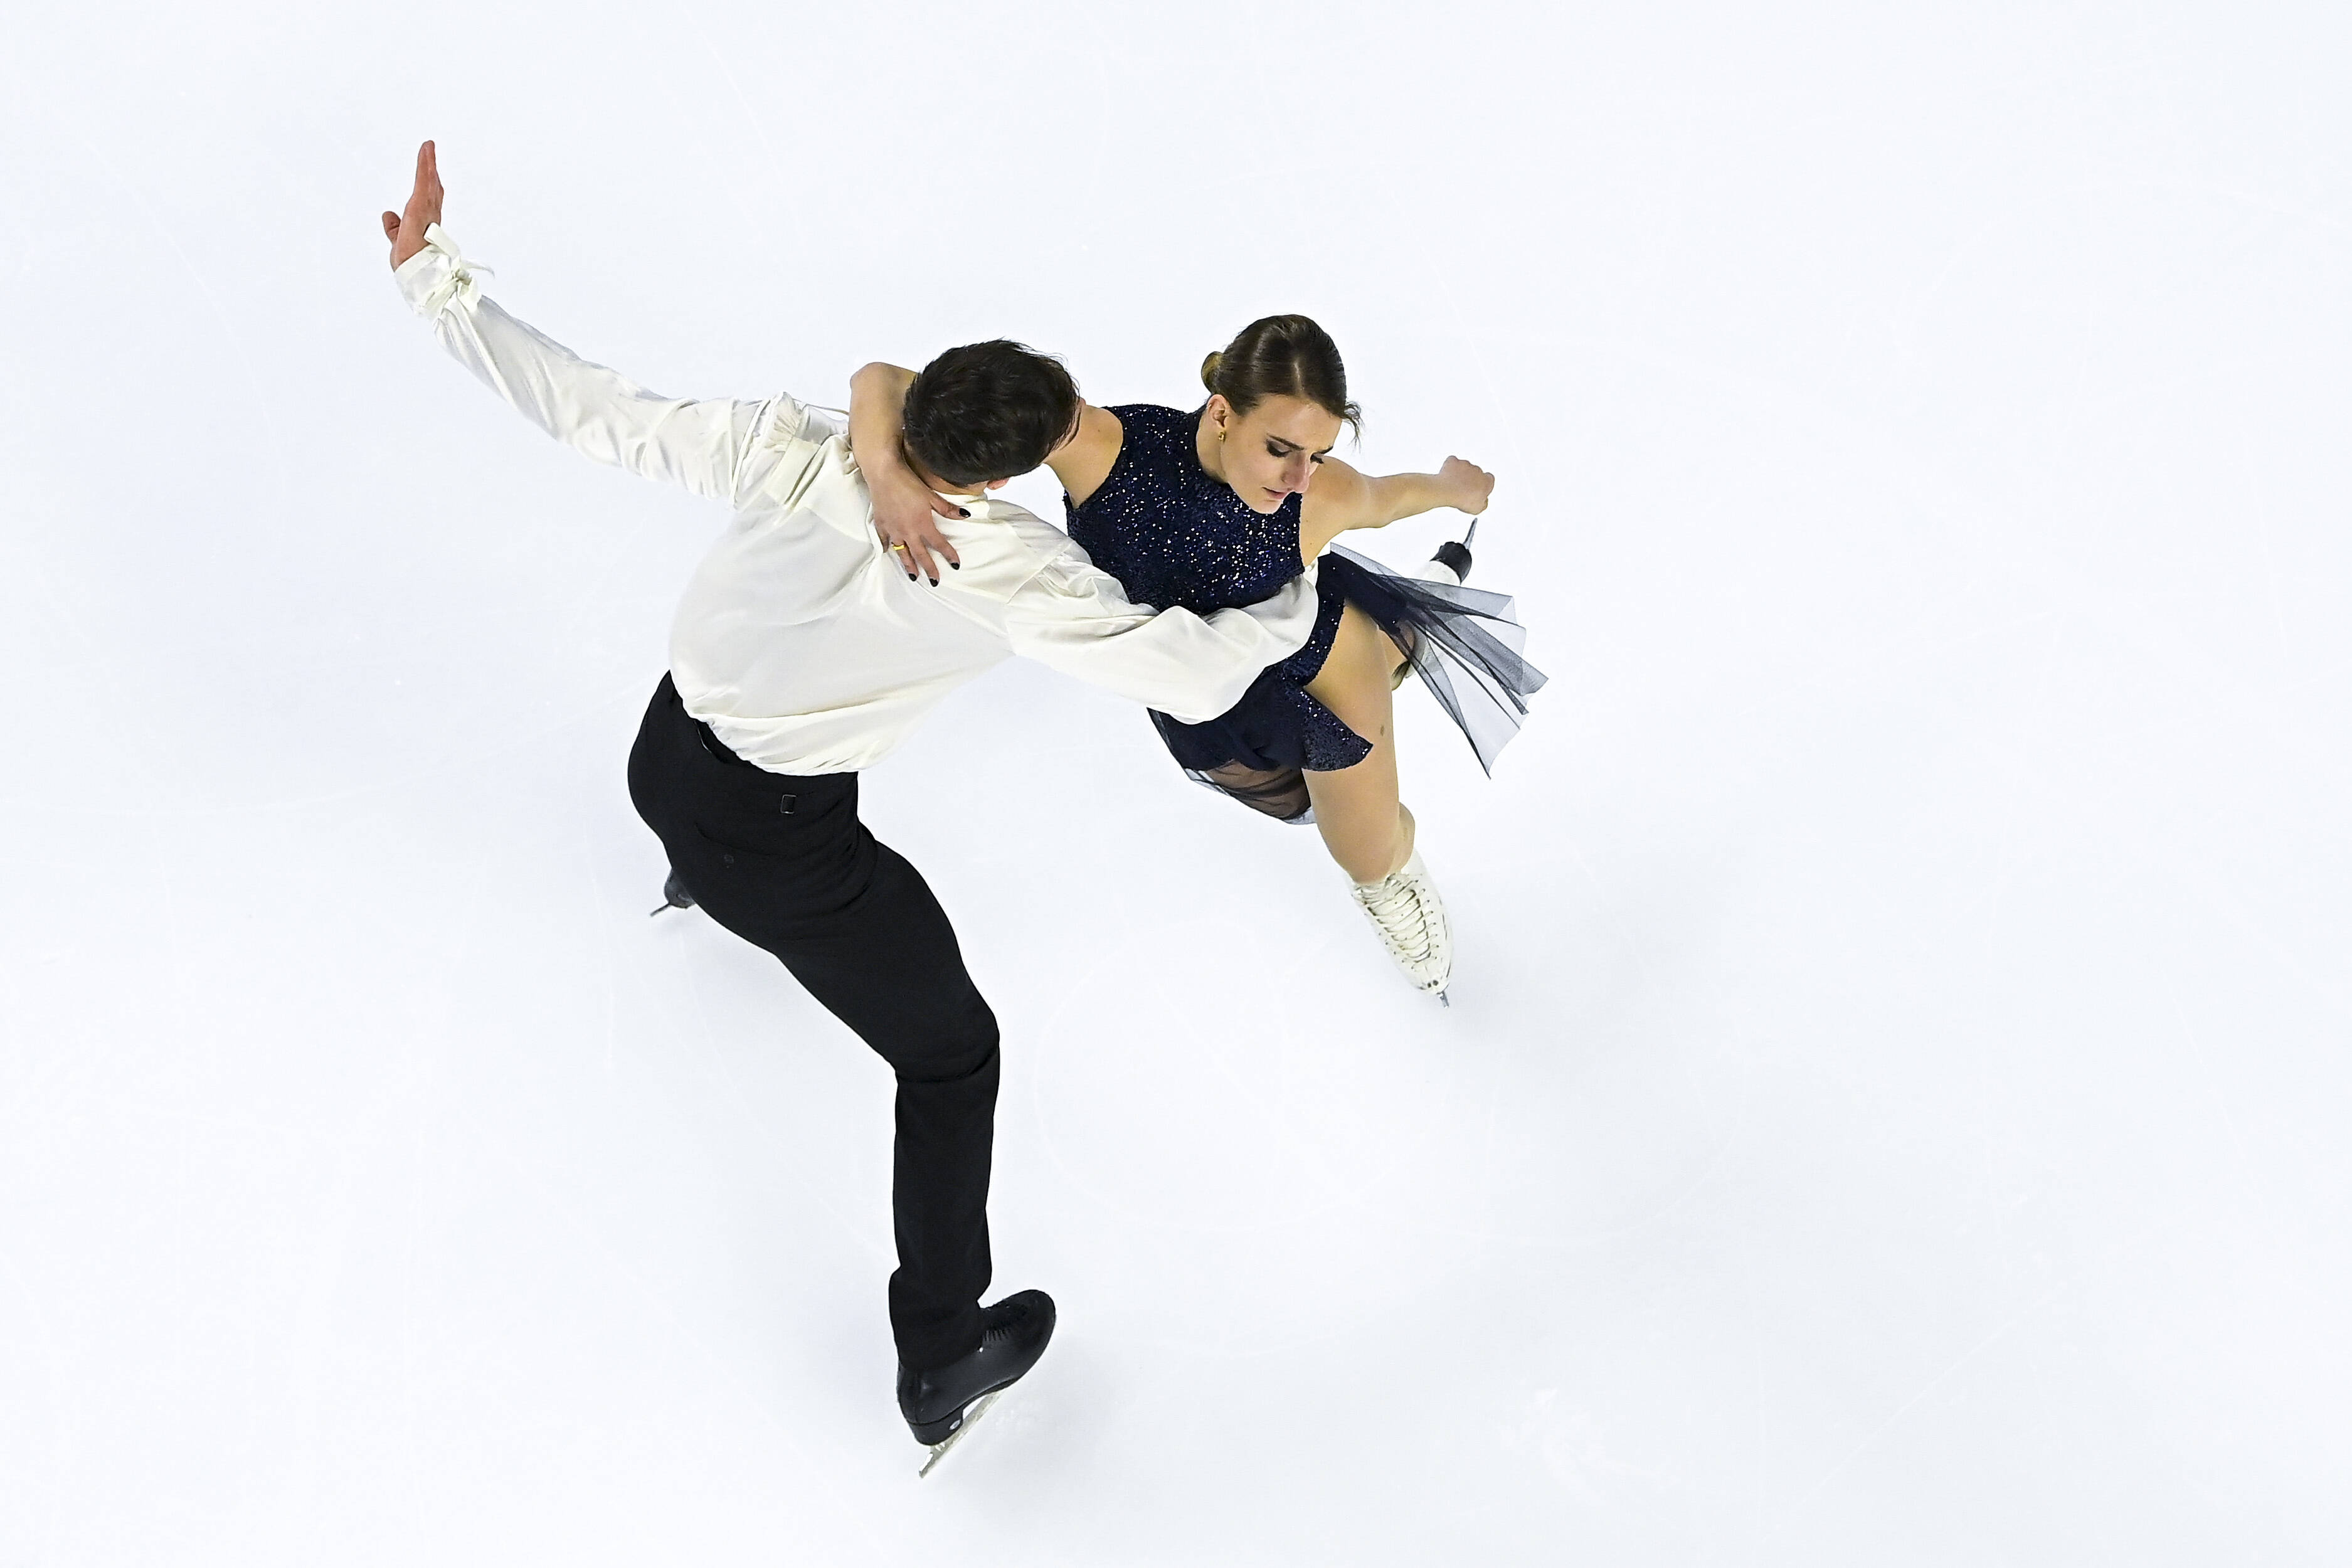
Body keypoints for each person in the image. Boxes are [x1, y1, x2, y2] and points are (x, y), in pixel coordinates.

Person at [378, 142, 1323, 1464]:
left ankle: (693, 877)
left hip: (661, 754)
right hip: (780, 845)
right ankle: (941, 1351)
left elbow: (588, 405)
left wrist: (432, 273)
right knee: (953, 1054)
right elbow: (1189, 659)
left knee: (744, 804)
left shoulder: (798, 446)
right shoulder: (1012, 570)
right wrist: (1302, 584)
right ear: (998, 471)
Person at [851, 322, 1545, 1002]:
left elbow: (1391, 499)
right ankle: (1411, 623)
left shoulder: (1321, 494)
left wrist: (1454, 488)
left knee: (1367, 854)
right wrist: (886, 474)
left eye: (1319, 452)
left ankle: (1394, 689)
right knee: (1276, 771)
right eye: (1280, 448)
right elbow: (884, 381)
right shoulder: (1099, 449)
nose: (1300, 477)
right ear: (1222, 413)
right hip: (1207, 680)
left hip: (1324, 668)